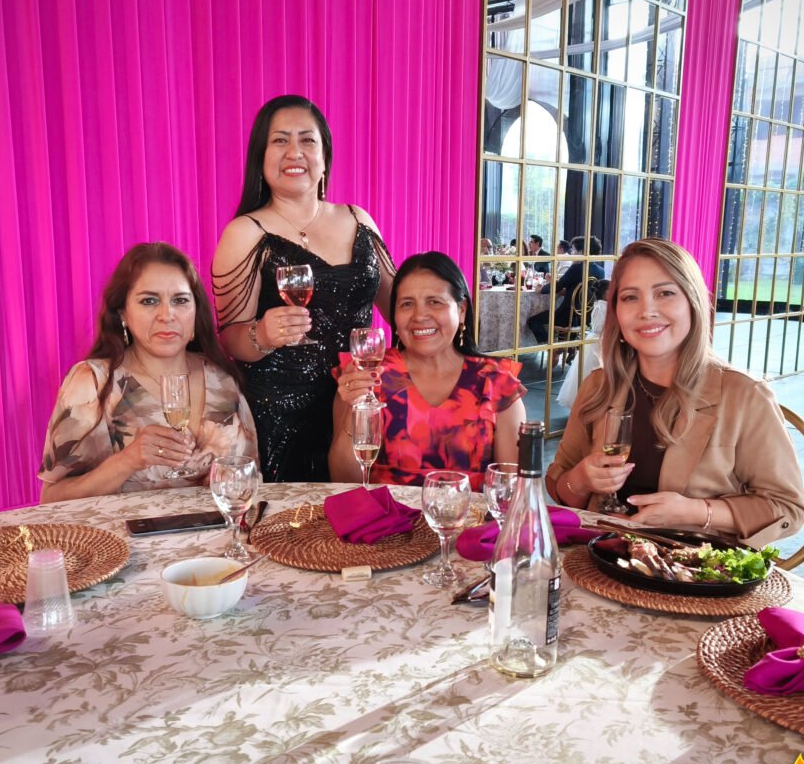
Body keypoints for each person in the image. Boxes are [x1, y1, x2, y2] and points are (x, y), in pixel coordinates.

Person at [546, 238, 804, 546]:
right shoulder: (598, 387)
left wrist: (695, 511)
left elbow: (787, 508)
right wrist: (580, 480)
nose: (647, 311)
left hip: (692, 566)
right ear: (616, 311)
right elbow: (560, 489)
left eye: (665, 293)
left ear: (693, 302)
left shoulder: (744, 396)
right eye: (630, 297)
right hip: (599, 558)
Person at [212, 95, 395, 481]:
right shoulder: (245, 232)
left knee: (360, 511)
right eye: (280, 140)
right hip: (280, 412)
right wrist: (262, 334)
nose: (294, 152)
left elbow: (399, 305)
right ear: (261, 157)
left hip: (355, 401)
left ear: (324, 156)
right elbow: (229, 338)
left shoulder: (358, 219)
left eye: (307, 140)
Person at [40, 243, 257, 502]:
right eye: (149, 301)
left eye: (180, 300)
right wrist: (127, 461)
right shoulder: (94, 382)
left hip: (218, 528)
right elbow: (51, 499)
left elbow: (251, 478)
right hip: (123, 530)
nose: (167, 315)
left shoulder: (222, 379)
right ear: (123, 313)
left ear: (195, 311)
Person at [329, 252, 526, 490]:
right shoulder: (367, 375)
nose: (419, 316)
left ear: (461, 310)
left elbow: (513, 491)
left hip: (470, 514)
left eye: (434, 302)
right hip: (385, 514)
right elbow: (343, 481)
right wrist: (354, 407)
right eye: (407, 304)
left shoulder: (495, 382)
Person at [527, 235, 605, 344]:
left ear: (581, 252)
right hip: (584, 317)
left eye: (573, 250)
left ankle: (550, 348)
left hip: (567, 316)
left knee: (533, 321)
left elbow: (558, 286)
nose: (571, 253)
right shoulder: (600, 271)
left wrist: (542, 289)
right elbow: (578, 291)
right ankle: (565, 347)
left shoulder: (576, 268)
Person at [556, 280, 609, 410]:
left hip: (601, 338)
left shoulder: (605, 305)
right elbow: (599, 326)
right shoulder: (601, 307)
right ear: (606, 293)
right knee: (592, 369)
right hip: (598, 340)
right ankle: (588, 402)